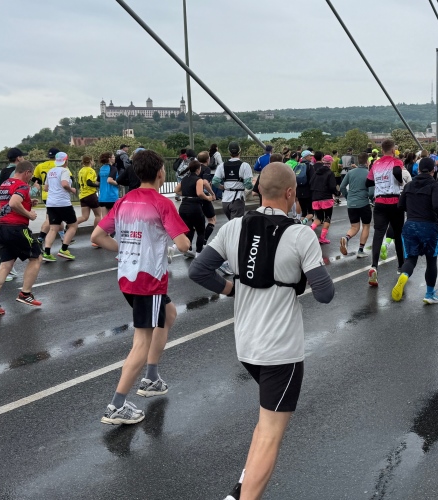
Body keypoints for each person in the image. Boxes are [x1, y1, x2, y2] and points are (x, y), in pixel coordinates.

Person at [187, 162, 334, 500]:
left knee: (266, 421)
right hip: (281, 352)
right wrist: (306, 270)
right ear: (290, 193)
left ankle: (239, 492)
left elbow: (199, 270)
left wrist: (231, 289)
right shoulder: (301, 234)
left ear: (258, 191)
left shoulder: (233, 227)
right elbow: (325, 294)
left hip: (247, 346)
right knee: (271, 434)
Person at [92, 149, 190, 426]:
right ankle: (116, 406)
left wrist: (126, 249)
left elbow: (98, 236)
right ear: (160, 173)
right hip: (149, 281)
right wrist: (169, 248)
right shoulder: (162, 203)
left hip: (127, 276)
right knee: (141, 342)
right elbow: (184, 244)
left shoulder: (123, 201)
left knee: (169, 314)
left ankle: (152, 377)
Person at [391, 157, 438, 304]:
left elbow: (400, 206)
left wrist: (413, 210)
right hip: (429, 227)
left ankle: (404, 275)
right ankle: (429, 295)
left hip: (410, 226)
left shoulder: (409, 185)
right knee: (431, 261)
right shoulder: (435, 185)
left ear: (418, 169)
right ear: (433, 170)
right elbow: (437, 205)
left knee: (410, 259)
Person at [0, 161, 43, 315]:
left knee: (5, 266)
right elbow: (14, 203)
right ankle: (25, 294)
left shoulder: (5, 184)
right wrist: (29, 214)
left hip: (2, 228)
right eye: (31, 175)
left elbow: (7, 203)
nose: (31, 178)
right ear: (27, 172)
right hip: (16, 229)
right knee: (36, 257)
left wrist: (28, 203)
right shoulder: (23, 185)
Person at [365, 139, 406, 286]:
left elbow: (368, 182)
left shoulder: (376, 164)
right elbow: (396, 171)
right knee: (398, 234)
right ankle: (401, 266)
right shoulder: (396, 161)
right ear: (393, 150)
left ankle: (374, 266)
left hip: (380, 202)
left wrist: (379, 180)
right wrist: (399, 180)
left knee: (378, 234)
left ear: (382, 150)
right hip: (394, 202)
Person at [42, 153, 78, 262]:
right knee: (73, 226)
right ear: (66, 161)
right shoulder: (65, 171)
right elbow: (64, 184)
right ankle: (64, 249)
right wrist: (72, 190)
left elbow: (46, 188)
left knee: (53, 229)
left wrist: (54, 188)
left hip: (51, 203)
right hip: (63, 203)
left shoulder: (50, 171)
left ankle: (47, 253)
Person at [176, 160, 214, 257]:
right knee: (200, 231)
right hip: (194, 207)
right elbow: (200, 193)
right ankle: (198, 253)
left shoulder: (184, 178)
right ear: (198, 169)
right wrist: (208, 198)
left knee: (188, 229)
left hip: (183, 207)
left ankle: (184, 249)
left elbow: (176, 190)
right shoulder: (198, 180)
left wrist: (186, 194)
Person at [339, 152, 374, 258]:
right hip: (363, 203)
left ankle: (346, 238)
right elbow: (371, 192)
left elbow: (342, 187)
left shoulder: (351, 172)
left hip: (351, 203)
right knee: (366, 226)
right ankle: (360, 250)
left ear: (358, 161)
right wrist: (370, 198)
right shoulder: (369, 174)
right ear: (367, 161)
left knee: (354, 227)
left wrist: (347, 197)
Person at [213, 142, 253, 220]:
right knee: (236, 225)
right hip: (237, 199)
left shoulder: (222, 166)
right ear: (240, 151)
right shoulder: (245, 165)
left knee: (231, 223)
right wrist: (253, 186)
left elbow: (215, 181)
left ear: (229, 152)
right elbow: (248, 184)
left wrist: (222, 187)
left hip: (225, 200)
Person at [309, 152, 338, 244]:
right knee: (327, 218)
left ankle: (309, 231)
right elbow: (332, 187)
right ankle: (322, 238)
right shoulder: (330, 173)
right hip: (326, 198)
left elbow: (310, 183)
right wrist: (337, 193)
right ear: (330, 163)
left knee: (318, 218)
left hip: (315, 198)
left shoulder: (316, 172)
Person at [32, 147, 60, 243]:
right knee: (51, 218)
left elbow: (34, 179)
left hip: (45, 194)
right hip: (56, 194)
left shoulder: (40, 166)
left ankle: (64, 237)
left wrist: (43, 183)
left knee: (57, 217)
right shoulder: (60, 165)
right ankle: (40, 238)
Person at [76, 155, 102, 235]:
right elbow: (89, 182)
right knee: (98, 215)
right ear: (90, 161)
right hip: (90, 194)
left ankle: (71, 225)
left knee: (84, 217)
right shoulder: (90, 170)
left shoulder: (81, 170)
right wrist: (99, 185)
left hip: (83, 195)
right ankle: (96, 234)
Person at [294, 151, 316, 225]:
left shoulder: (297, 166)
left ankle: (301, 224)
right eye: (310, 156)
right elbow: (312, 179)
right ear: (306, 156)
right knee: (311, 212)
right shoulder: (309, 166)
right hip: (308, 191)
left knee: (303, 212)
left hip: (299, 191)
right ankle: (303, 222)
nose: (311, 157)